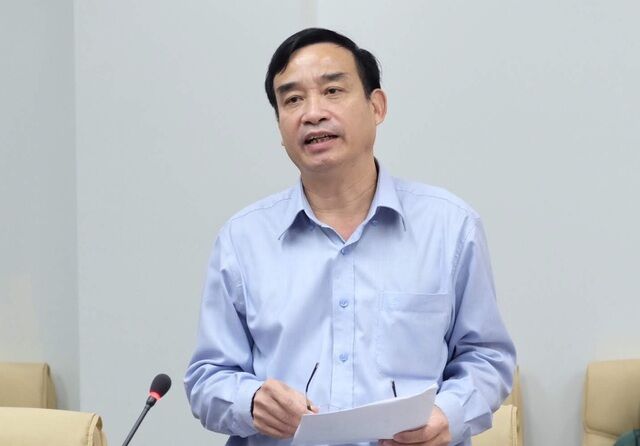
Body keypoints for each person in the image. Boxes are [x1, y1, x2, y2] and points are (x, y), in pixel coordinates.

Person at [185, 28, 516, 446]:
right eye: (292, 100)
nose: (312, 113)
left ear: (376, 106)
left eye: (332, 91)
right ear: (280, 127)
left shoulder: (449, 227)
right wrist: (250, 401)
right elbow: (207, 379)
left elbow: (487, 357)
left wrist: (447, 415)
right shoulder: (242, 239)